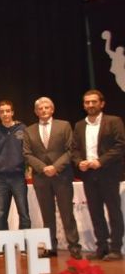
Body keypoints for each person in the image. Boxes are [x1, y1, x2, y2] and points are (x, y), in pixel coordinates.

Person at [24, 97, 82, 259]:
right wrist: (43, 168)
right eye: (40, 108)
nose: (43, 110)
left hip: (61, 176)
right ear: (36, 111)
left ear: (52, 109)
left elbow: (71, 150)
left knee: (67, 213)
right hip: (41, 177)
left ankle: (74, 246)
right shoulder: (29, 130)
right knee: (47, 214)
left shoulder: (64, 125)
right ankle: (50, 247)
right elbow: (27, 154)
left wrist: (55, 167)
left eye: (46, 107)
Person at [72, 89, 125, 261]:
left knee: (113, 211)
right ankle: (101, 247)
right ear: (83, 105)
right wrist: (79, 162)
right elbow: (74, 149)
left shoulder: (114, 121)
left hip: (108, 173)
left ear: (102, 103)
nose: (90, 105)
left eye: (94, 101)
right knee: (95, 212)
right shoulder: (79, 125)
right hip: (88, 175)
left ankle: (116, 248)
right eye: (87, 102)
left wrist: (100, 161)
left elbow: (120, 146)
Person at [0, 100, 30, 232]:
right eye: (2, 112)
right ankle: (3, 243)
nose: (5, 114)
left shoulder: (22, 128)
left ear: (12, 112)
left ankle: (26, 242)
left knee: (23, 212)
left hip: (18, 176)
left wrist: (28, 169)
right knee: (0, 214)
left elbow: (28, 151)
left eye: (7, 111)